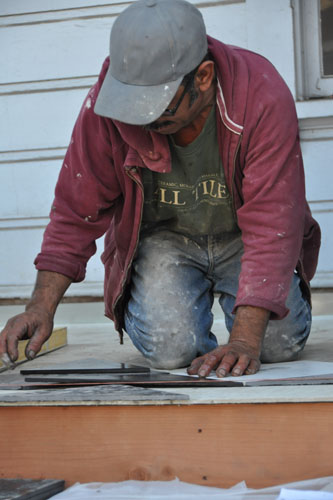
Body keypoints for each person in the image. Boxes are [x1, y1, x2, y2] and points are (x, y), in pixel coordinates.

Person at [0, 0, 321, 378]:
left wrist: (243, 341)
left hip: (244, 237)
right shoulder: (106, 106)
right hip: (164, 240)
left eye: (156, 108)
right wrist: (40, 307)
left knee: (276, 346)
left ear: (203, 77)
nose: (142, 120)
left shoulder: (261, 95)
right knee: (170, 350)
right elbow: (76, 211)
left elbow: (272, 225)